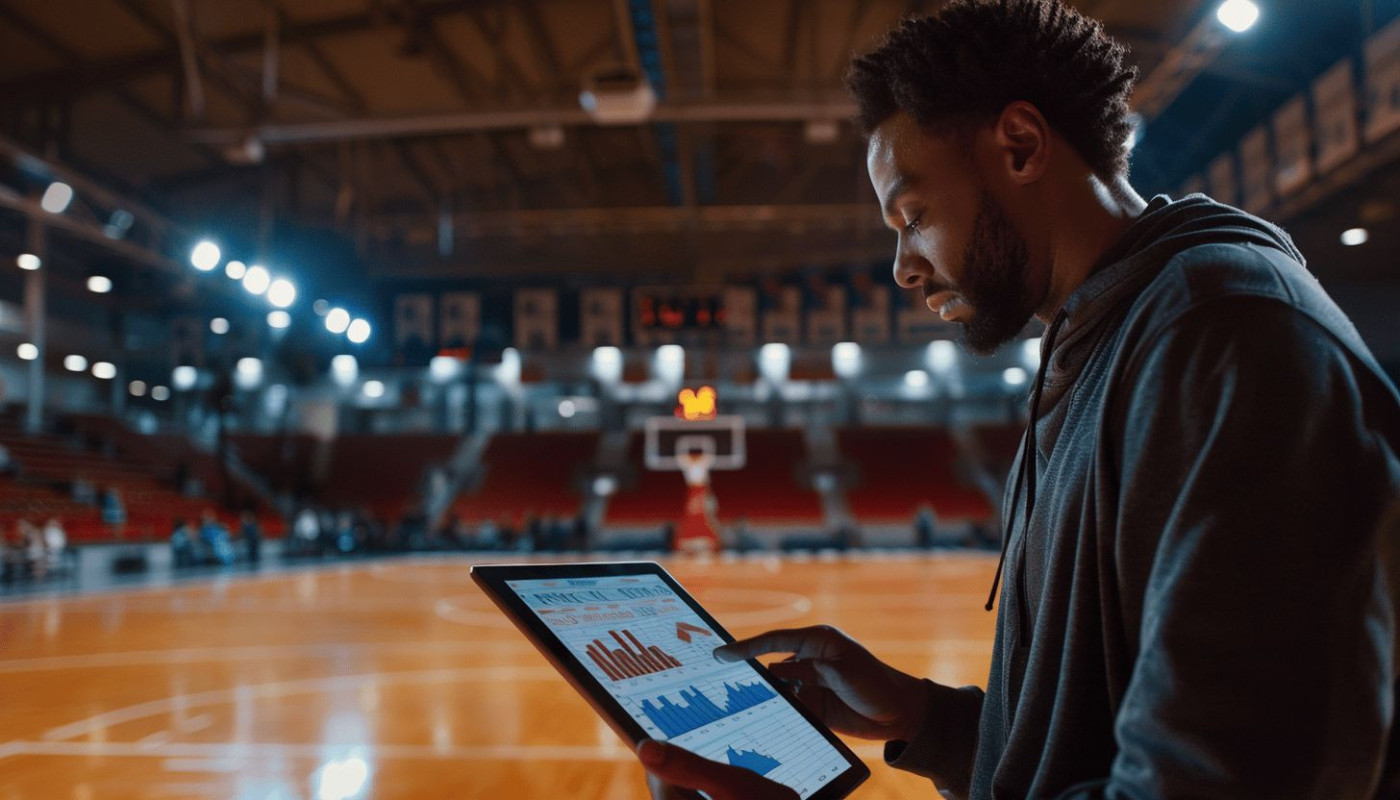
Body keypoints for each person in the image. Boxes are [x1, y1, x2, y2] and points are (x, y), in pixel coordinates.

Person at [642, 2, 1400, 799]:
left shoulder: (1227, 338)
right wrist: (927, 720)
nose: (904, 267)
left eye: (913, 215)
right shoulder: (1106, 340)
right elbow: (1088, 749)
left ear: (1022, 145)